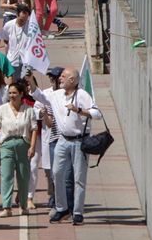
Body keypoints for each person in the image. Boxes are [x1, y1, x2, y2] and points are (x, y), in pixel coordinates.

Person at [35, 65, 102, 225]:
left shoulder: (82, 95)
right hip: (63, 140)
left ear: (72, 80)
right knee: (56, 173)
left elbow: (97, 114)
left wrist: (79, 110)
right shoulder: (57, 95)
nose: (60, 78)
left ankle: (77, 212)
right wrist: (30, 80)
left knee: (79, 178)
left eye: (63, 76)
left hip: (79, 141)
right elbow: (40, 96)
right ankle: (62, 208)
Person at [0, 78, 39, 218]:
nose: (12, 95)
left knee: (23, 177)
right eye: (10, 93)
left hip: (23, 144)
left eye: (14, 93)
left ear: (21, 94)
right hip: (6, 145)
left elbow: (34, 129)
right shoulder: (2, 109)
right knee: (6, 176)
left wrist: (32, 147)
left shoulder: (29, 110)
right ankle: (6, 207)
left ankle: (23, 206)